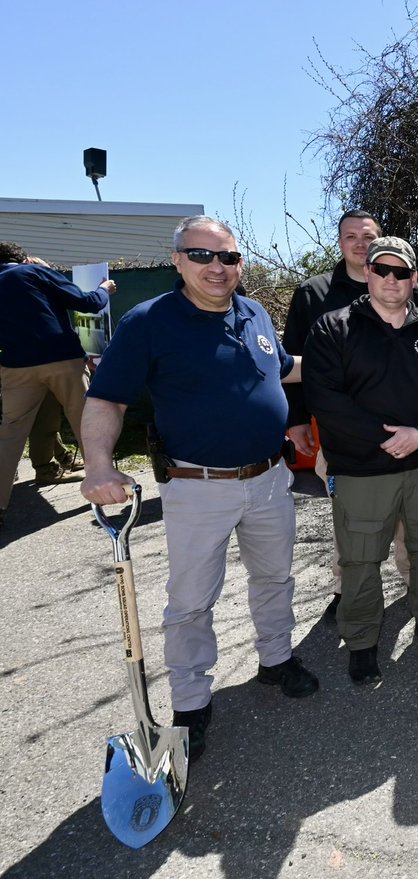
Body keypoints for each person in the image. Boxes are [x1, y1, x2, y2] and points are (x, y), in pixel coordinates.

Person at [80, 216, 318, 760]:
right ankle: (190, 702)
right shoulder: (150, 322)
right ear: (179, 261)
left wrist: (355, 358)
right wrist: (98, 466)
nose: (218, 268)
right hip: (197, 486)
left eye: (228, 258)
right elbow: (107, 399)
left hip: (270, 477)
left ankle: (276, 660)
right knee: (190, 602)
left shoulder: (253, 311)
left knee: (275, 578)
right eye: (203, 256)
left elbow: (283, 370)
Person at [304, 237, 418, 684]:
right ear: (368, 273)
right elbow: (326, 399)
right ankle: (361, 640)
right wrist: (386, 440)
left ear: (414, 279)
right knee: (360, 559)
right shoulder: (333, 329)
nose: (392, 280)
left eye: (401, 272)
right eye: (383, 270)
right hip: (362, 469)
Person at [282, 210, 418, 622]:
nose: (360, 243)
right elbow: (291, 364)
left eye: (368, 236)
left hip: (404, 433)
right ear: (341, 242)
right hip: (341, 434)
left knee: (408, 516)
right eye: (351, 236)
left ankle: (415, 582)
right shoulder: (314, 294)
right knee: (350, 519)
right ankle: (347, 589)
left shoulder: (410, 291)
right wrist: (295, 421)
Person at [0, 242, 115, 529]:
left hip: (14, 366)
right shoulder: (34, 272)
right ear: (23, 258)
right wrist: (104, 289)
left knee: (9, 436)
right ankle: (105, 490)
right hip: (60, 358)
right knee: (86, 423)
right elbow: (87, 302)